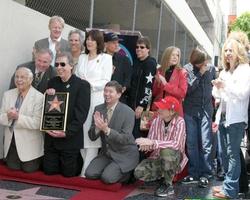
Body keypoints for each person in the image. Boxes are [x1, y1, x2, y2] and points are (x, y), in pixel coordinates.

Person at [212, 38, 250, 199]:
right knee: (224, 154)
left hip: (237, 119)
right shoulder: (224, 72)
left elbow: (243, 93)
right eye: (226, 50)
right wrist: (217, 87)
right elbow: (216, 94)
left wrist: (224, 86)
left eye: (231, 50)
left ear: (238, 52)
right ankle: (229, 185)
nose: (228, 53)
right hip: (223, 116)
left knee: (233, 154)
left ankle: (230, 190)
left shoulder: (245, 69)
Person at [43, 52, 90, 177]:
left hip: (70, 139)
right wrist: (47, 95)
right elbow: (47, 109)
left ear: (71, 66)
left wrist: (66, 132)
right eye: (56, 64)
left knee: (68, 174)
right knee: (49, 171)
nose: (59, 67)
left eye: (62, 64)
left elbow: (81, 115)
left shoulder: (82, 85)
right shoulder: (52, 82)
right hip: (52, 138)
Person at [75, 30, 113, 176]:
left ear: (99, 42)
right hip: (81, 99)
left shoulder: (106, 58)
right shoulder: (82, 57)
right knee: (80, 133)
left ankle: (85, 172)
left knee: (91, 135)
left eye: (93, 40)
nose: (89, 42)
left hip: (96, 99)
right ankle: (88, 168)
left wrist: (87, 84)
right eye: (88, 39)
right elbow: (77, 77)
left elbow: (105, 80)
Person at [85, 81, 139, 184]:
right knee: (90, 174)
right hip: (107, 154)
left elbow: (125, 139)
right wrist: (97, 128)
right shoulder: (98, 109)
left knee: (107, 178)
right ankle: (111, 168)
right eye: (105, 91)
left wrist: (107, 130)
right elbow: (92, 137)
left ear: (119, 94)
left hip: (124, 154)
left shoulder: (128, 112)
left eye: (110, 92)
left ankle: (128, 173)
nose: (106, 94)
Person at [134, 96, 188, 197]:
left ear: (171, 112)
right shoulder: (156, 121)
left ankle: (168, 185)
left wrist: (153, 143)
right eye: (159, 107)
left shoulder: (180, 122)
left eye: (162, 108)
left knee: (166, 151)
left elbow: (176, 144)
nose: (158, 110)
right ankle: (163, 174)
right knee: (138, 173)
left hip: (175, 157)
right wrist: (145, 145)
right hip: (157, 157)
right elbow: (151, 141)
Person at [181, 47, 216, 187]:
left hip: (206, 110)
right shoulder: (187, 69)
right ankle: (193, 173)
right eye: (201, 63)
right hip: (190, 110)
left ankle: (206, 173)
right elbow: (187, 90)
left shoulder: (212, 69)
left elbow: (215, 87)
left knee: (206, 143)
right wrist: (200, 74)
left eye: (205, 62)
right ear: (195, 62)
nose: (204, 65)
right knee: (192, 143)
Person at [0, 67, 44, 172]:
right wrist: (9, 116)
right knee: (12, 168)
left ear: (30, 80)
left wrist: (17, 117)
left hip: (29, 144)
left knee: (29, 170)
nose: (19, 80)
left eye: (23, 77)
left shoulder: (39, 97)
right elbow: (1, 118)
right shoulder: (7, 94)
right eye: (17, 77)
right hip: (12, 143)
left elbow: (37, 123)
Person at [128, 37, 157, 140]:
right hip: (132, 104)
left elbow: (148, 87)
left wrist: (141, 105)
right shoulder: (136, 63)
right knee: (131, 134)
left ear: (148, 49)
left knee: (139, 135)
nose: (138, 49)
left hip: (142, 107)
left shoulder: (150, 63)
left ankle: (140, 156)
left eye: (142, 47)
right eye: (137, 47)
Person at [152, 46, 187, 116]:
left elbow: (182, 93)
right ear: (167, 56)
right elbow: (154, 93)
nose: (175, 57)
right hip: (159, 110)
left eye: (177, 55)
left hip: (173, 111)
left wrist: (165, 84)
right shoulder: (159, 70)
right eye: (172, 55)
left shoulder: (182, 72)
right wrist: (157, 83)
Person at [104, 32, 132, 104]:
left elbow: (128, 78)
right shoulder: (99, 58)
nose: (117, 45)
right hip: (101, 96)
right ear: (106, 44)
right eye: (113, 43)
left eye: (117, 42)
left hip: (118, 99)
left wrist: (123, 89)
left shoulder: (125, 60)